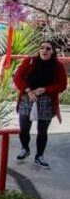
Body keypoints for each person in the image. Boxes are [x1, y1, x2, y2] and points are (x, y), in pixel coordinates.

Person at [13, 41, 68, 169]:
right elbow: (18, 78)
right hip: (28, 97)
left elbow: (62, 85)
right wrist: (27, 90)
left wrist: (45, 89)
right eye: (42, 48)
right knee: (24, 128)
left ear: (53, 51)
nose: (44, 50)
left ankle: (39, 156)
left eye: (48, 48)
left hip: (46, 101)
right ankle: (25, 148)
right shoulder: (30, 61)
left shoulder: (58, 66)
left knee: (42, 130)